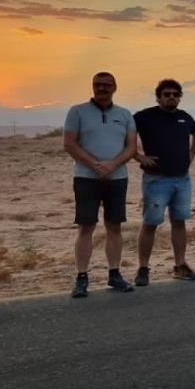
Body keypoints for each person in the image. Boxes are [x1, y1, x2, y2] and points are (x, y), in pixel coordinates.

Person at [64, 72, 139, 298]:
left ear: (115, 87)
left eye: (107, 85)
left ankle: (114, 274)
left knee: (114, 227)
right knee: (86, 227)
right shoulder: (77, 112)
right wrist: (96, 164)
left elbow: (131, 147)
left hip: (117, 178)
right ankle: (81, 277)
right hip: (86, 178)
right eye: (98, 84)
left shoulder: (124, 114)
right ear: (92, 86)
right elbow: (69, 143)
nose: (102, 88)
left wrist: (112, 165)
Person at [132, 78, 195, 287]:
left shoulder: (183, 117)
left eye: (175, 94)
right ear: (158, 97)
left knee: (179, 222)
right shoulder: (145, 116)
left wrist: (191, 153)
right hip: (156, 180)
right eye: (167, 94)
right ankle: (143, 268)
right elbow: (124, 134)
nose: (171, 97)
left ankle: (180, 266)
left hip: (182, 179)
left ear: (180, 97)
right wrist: (137, 156)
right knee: (151, 223)